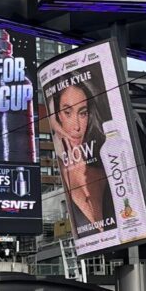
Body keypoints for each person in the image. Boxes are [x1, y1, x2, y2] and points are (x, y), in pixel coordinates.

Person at [48, 80, 114, 235]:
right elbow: (50, 104)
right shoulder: (61, 173)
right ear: (58, 116)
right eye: (67, 112)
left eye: (82, 113)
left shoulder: (109, 169)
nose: (76, 126)